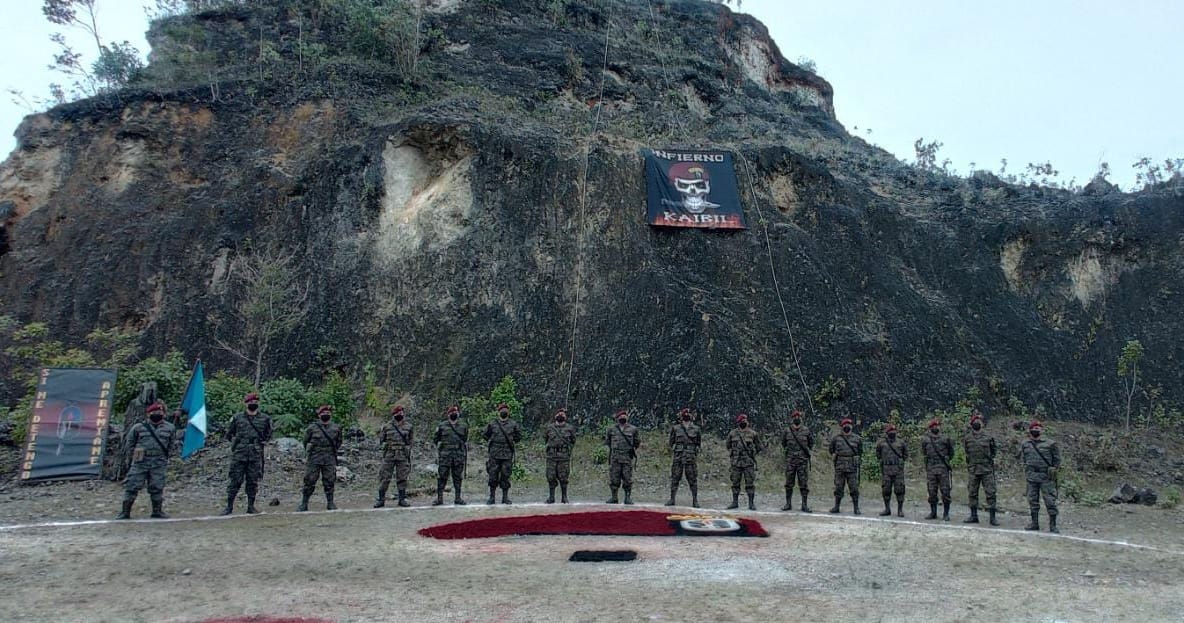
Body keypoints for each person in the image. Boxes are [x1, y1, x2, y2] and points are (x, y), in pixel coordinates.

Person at [116, 401, 176, 520]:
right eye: (154, 412)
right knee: (132, 485)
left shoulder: (170, 428)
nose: (157, 414)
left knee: (157, 486)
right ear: (148, 414)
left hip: (159, 462)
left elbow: (171, 445)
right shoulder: (138, 428)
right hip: (140, 462)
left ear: (164, 414)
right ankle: (125, 512)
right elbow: (129, 444)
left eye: (160, 412)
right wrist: (134, 456)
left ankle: (157, 511)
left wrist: (166, 458)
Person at [221, 392, 272, 515]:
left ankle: (251, 506)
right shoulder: (237, 418)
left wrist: (260, 444)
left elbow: (268, 435)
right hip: (239, 454)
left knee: (253, 481)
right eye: (251, 402)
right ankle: (229, 507)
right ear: (246, 403)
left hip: (255, 454)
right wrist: (238, 443)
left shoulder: (265, 419)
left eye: (255, 402)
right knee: (235, 481)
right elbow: (229, 434)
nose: (253, 403)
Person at [1021, 420, 1061, 533]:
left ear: (1041, 430)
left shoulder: (1050, 444)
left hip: (1046, 477)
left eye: (1038, 428)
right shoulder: (1025, 444)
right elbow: (1023, 458)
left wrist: (1054, 469)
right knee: (1032, 500)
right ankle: (1034, 523)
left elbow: (1057, 459)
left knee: (1050, 501)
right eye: (1034, 428)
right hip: (1032, 476)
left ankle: (1053, 525)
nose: (1036, 430)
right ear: (1030, 430)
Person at [299, 405, 341, 512]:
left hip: (329, 457)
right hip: (314, 458)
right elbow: (305, 441)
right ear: (319, 415)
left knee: (330, 480)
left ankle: (330, 503)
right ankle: (304, 503)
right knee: (309, 480)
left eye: (328, 413)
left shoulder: (336, 428)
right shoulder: (312, 428)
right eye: (323, 413)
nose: (326, 414)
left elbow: (338, 442)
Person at [963, 412, 999, 526]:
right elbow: (967, 452)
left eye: (979, 421)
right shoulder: (967, 438)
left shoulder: (988, 437)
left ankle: (992, 518)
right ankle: (973, 516)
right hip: (973, 469)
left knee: (991, 493)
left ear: (982, 423)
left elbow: (993, 451)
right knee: (972, 492)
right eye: (975, 421)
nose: (977, 423)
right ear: (972, 424)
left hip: (986, 470)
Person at [375, 405, 413, 508]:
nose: (400, 415)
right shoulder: (387, 427)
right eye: (398, 413)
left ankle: (402, 499)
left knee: (402, 477)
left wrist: (407, 450)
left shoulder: (409, 426)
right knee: (385, 477)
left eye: (401, 413)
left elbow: (410, 441)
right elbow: (381, 440)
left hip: (402, 455)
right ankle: (381, 500)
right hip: (389, 454)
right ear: (394, 415)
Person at [117, 382, 158, 480]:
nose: (150, 394)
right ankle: (129, 475)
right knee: (134, 455)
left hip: (152, 436)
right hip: (137, 434)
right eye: (148, 392)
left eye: (152, 392)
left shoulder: (158, 404)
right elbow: (128, 419)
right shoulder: (134, 403)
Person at [483, 403, 521, 505]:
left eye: (506, 409)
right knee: (493, 475)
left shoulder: (513, 424)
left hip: (507, 454)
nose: (504, 411)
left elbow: (518, 437)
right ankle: (492, 497)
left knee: (505, 475)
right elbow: (485, 435)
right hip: (494, 454)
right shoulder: (492, 424)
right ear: (498, 412)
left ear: (509, 412)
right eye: (502, 409)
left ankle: (505, 498)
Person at [431, 405, 468, 506]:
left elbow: (465, 439)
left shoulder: (463, 426)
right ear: (448, 415)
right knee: (442, 476)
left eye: (456, 412)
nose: (454, 414)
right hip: (445, 455)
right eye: (452, 412)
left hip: (458, 455)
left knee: (458, 477)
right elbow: (435, 439)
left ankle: (458, 498)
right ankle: (439, 498)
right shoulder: (442, 426)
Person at [726, 413, 763, 510]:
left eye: (745, 421)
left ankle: (751, 503)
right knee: (735, 483)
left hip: (748, 462)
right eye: (742, 421)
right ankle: (735, 502)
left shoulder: (753, 434)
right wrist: (734, 454)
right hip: (736, 462)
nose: (744, 422)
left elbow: (759, 446)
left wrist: (752, 454)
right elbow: (728, 445)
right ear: (738, 422)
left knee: (750, 483)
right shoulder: (732, 433)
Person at [666, 408, 701, 507]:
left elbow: (698, 444)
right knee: (675, 478)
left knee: (692, 479)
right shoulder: (675, 428)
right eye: (685, 414)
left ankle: (695, 500)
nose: (687, 416)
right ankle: (672, 499)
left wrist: (694, 453)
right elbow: (671, 442)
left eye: (688, 414)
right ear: (681, 417)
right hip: (678, 457)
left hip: (690, 457)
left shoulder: (696, 429)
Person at [780, 410, 814, 512]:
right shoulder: (787, 431)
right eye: (795, 417)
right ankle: (788, 504)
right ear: (792, 419)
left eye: (798, 417)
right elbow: (783, 443)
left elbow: (811, 443)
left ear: (801, 418)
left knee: (803, 484)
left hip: (802, 462)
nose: (797, 418)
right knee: (789, 483)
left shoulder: (806, 431)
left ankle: (804, 505)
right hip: (790, 461)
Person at [921, 418, 954, 521]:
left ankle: (946, 514)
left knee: (945, 492)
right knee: (932, 492)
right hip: (931, 469)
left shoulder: (945, 439)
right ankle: (933, 513)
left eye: (937, 426)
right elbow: (924, 453)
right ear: (930, 428)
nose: (936, 427)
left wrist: (945, 461)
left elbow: (951, 453)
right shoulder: (926, 440)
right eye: (934, 426)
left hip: (943, 469)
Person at [828, 417, 862, 514]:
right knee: (838, 487)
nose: (847, 426)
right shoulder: (836, 438)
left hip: (852, 467)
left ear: (851, 426)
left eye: (849, 424)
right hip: (840, 466)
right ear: (842, 426)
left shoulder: (857, 439)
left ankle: (856, 508)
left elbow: (860, 451)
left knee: (854, 488)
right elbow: (831, 449)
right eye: (845, 425)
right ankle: (836, 507)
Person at [605, 410, 640, 504]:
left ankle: (627, 498)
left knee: (627, 478)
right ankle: (614, 497)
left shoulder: (633, 429)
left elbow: (637, 442)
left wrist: (630, 450)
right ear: (617, 418)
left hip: (627, 458)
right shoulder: (611, 429)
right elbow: (608, 442)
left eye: (624, 416)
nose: (623, 418)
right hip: (615, 458)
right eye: (621, 416)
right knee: (614, 478)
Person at [544, 408, 576, 504]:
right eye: (559, 413)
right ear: (555, 416)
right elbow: (545, 439)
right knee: (551, 477)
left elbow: (573, 441)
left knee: (564, 477)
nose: (561, 415)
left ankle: (564, 497)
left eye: (563, 414)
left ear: (565, 417)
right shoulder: (549, 428)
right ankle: (551, 497)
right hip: (551, 456)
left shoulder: (570, 428)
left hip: (564, 457)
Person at [875, 423, 908, 517]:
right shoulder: (881, 443)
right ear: (887, 432)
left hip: (898, 470)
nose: (892, 432)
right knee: (886, 489)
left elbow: (905, 455)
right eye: (891, 431)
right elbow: (878, 455)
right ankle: (887, 509)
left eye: (894, 431)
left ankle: (900, 510)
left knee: (900, 490)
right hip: (886, 470)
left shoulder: (901, 443)